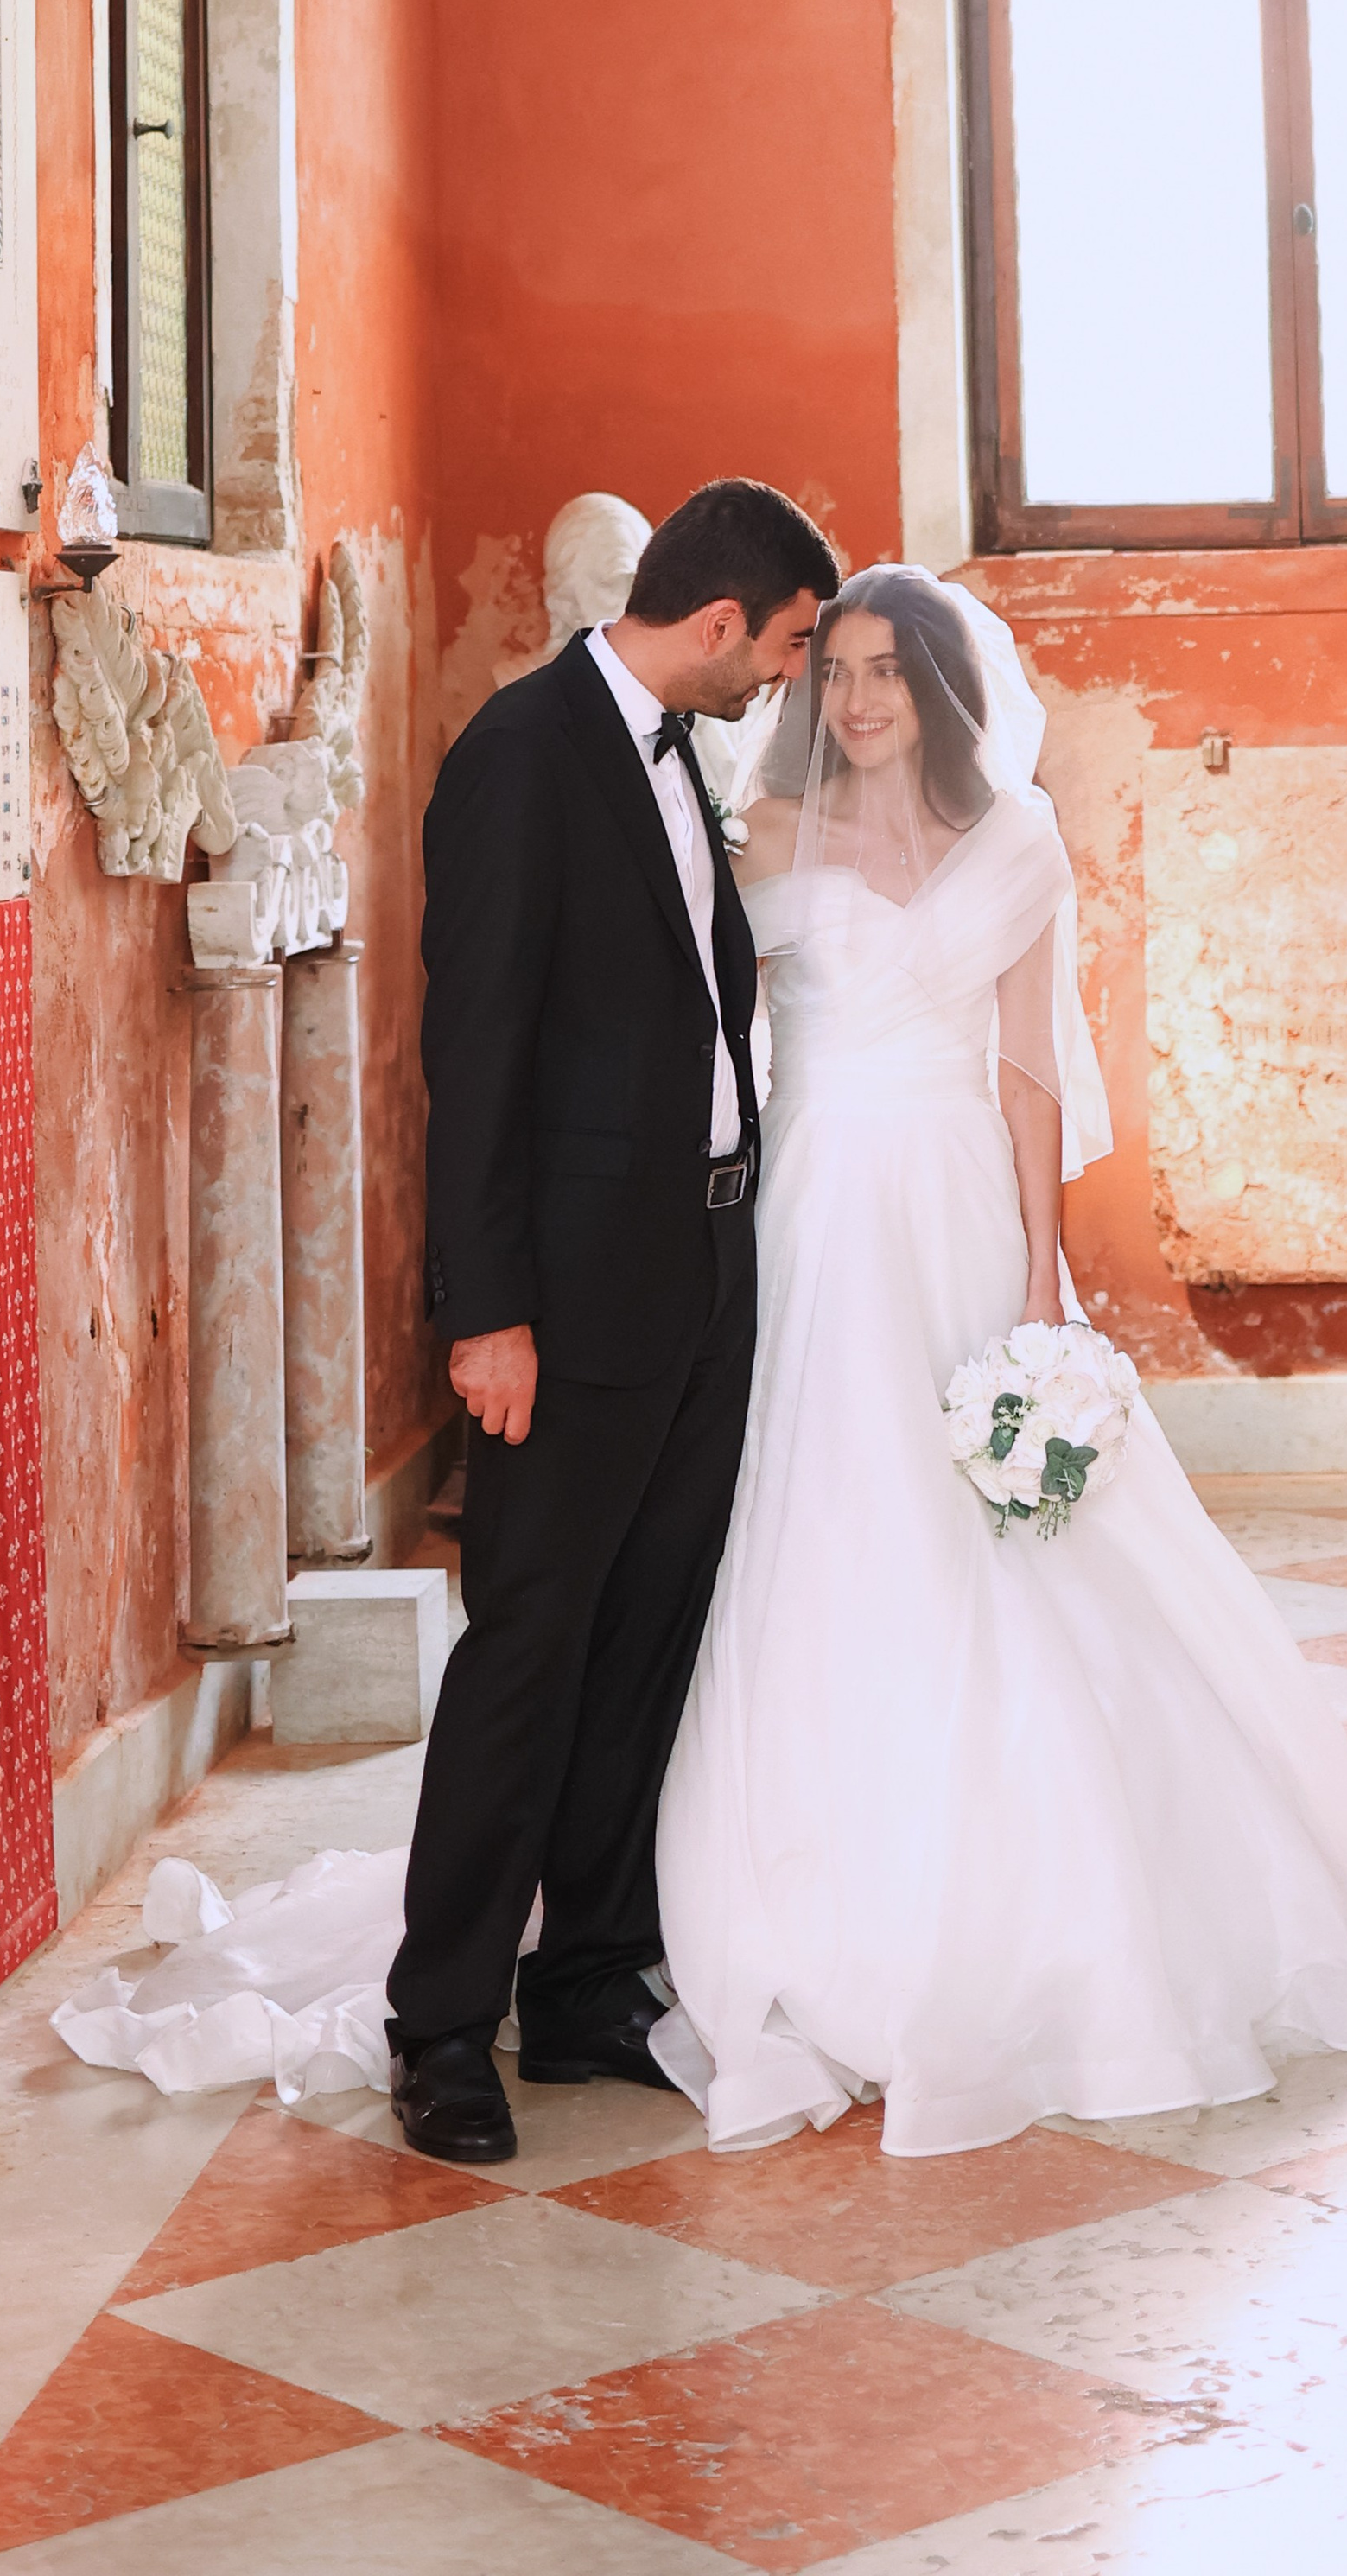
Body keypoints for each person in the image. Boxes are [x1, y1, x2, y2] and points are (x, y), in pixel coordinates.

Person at [647, 569, 1347, 2157]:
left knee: (999, 1532)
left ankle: (1050, 1904)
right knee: (816, 1514)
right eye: (839, 672)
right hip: (807, 1209)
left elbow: (1029, 1071)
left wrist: (1037, 1273)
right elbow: (705, 1037)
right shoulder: (764, 835)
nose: (858, 701)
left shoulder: (1013, 839)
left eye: (889, 673)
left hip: (953, 1207)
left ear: (943, 691)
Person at [387, 477, 837, 2161]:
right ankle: (442, 2027)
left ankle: (583, 1982)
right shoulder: (521, 755)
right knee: (529, 1645)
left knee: (649, 1637)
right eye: (784, 648)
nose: (784, 678)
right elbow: (473, 1057)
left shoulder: (683, 751)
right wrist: (486, 1313)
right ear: (718, 622)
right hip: (568, 1306)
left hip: (704, 1274)